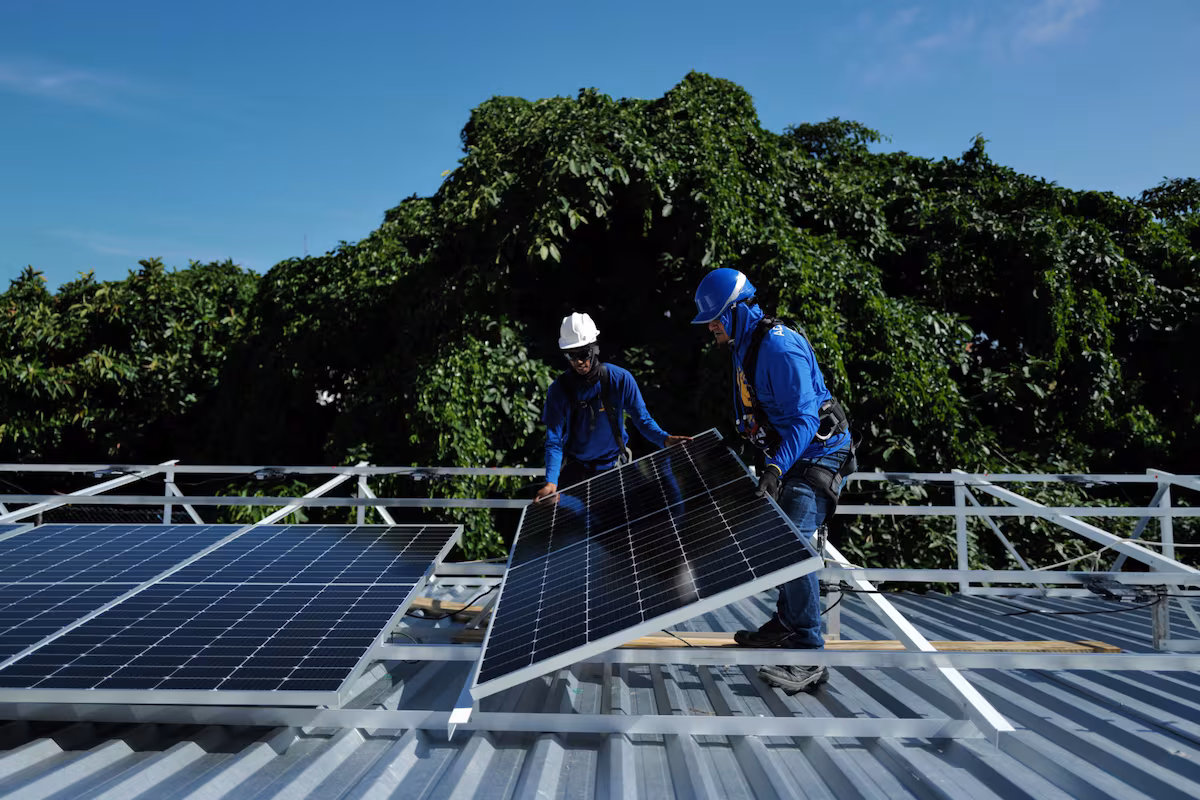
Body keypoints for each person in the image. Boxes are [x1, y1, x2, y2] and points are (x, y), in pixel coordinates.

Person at [691, 267, 857, 695]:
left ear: (736, 312)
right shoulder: (745, 346)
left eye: (714, 318)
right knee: (771, 537)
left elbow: (804, 419)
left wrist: (775, 469)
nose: (709, 327)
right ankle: (786, 622)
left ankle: (808, 654)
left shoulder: (779, 349)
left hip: (817, 453)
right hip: (788, 455)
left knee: (793, 547)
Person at [534, 312, 690, 502]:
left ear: (593, 348)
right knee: (583, 527)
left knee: (631, 526)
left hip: (617, 469)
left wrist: (664, 440)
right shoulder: (558, 390)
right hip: (579, 473)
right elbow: (554, 440)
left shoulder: (619, 379)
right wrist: (551, 481)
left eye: (582, 354)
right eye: (571, 355)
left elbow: (642, 420)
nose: (578, 362)